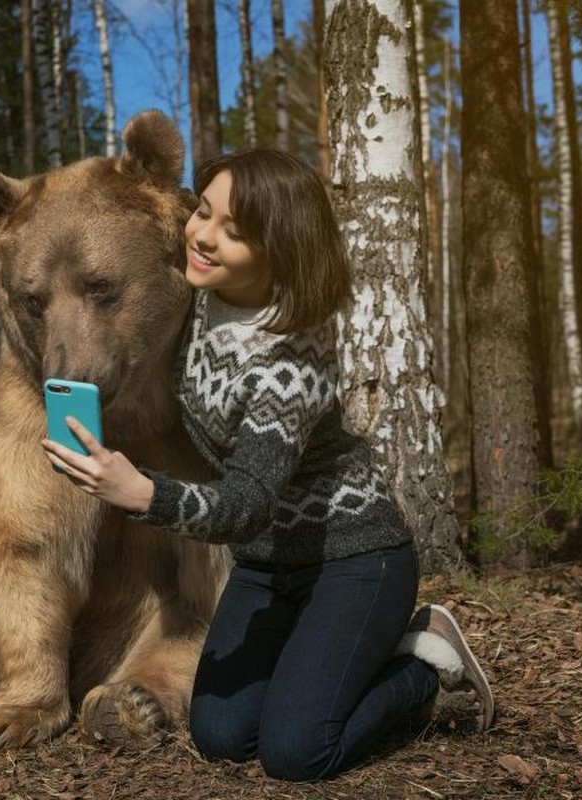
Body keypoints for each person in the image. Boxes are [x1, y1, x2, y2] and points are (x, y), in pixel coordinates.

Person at [41, 149, 493, 782]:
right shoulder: (198, 300)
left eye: (234, 231)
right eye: (203, 212)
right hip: (268, 563)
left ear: (278, 250)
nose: (202, 236)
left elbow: (246, 503)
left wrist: (141, 492)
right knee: (221, 736)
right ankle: (325, 665)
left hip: (353, 557)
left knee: (298, 753)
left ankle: (424, 667)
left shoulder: (292, 362)